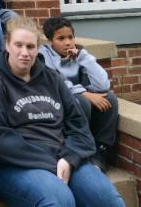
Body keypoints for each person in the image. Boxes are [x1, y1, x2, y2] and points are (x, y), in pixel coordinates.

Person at [0, 17, 125, 207]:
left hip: (61, 157)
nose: (24, 53)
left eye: (30, 46)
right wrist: (52, 163)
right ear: (6, 45)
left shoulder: (51, 78)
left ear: (38, 48)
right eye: (18, 45)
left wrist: (69, 159)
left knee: (108, 200)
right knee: (60, 200)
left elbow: (79, 126)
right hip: (11, 165)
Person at [40, 17, 119, 172]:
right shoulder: (44, 56)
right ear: (50, 41)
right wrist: (84, 93)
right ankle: (80, 150)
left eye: (70, 37)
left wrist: (83, 57)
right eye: (61, 38)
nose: (68, 42)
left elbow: (103, 85)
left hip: (79, 96)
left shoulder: (79, 54)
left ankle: (99, 152)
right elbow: (56, 82)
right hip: (56, 102)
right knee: (80, 102)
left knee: (110, 99)